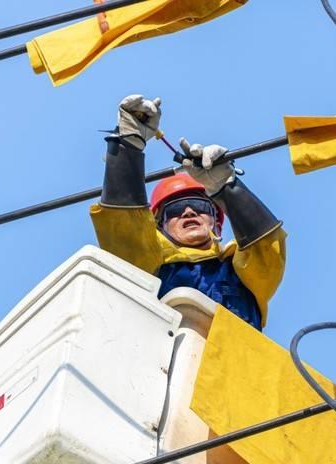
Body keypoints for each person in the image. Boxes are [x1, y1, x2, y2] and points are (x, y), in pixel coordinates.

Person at [90, 94, 286, 329]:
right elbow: (124, 227)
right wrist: (127, 146)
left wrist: (228, 187)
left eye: (201, 207)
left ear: (218, 223)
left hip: (233, 363)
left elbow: (266, 249)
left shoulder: (240, 272)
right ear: (159, 227)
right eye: (176, 209)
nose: (189, 213)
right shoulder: (150, 268)